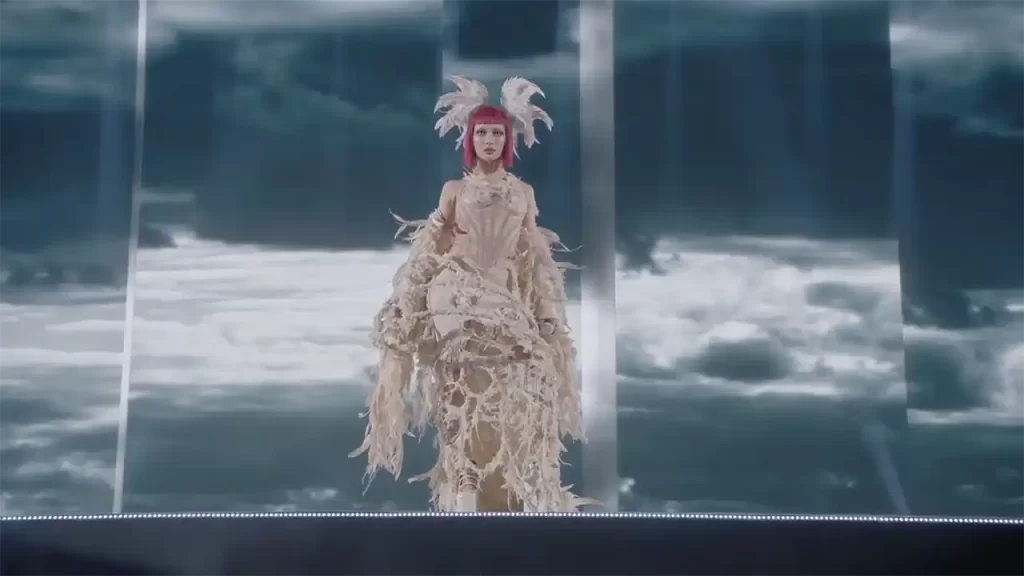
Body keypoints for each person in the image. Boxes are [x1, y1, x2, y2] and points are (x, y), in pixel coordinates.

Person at [351, 76, 587, 513]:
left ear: (508, 140)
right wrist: (406, 297)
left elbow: (535, 257)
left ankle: (514, 476)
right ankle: (463, 472)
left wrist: (548, 312)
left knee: (532, 369)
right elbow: (429, 246)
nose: (489, 140)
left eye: (497, 133)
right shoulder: (454, 191)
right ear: (470, 139)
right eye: (482, 133)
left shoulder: (523, 193)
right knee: (459, 375)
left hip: (503, 296)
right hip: (455, 289)